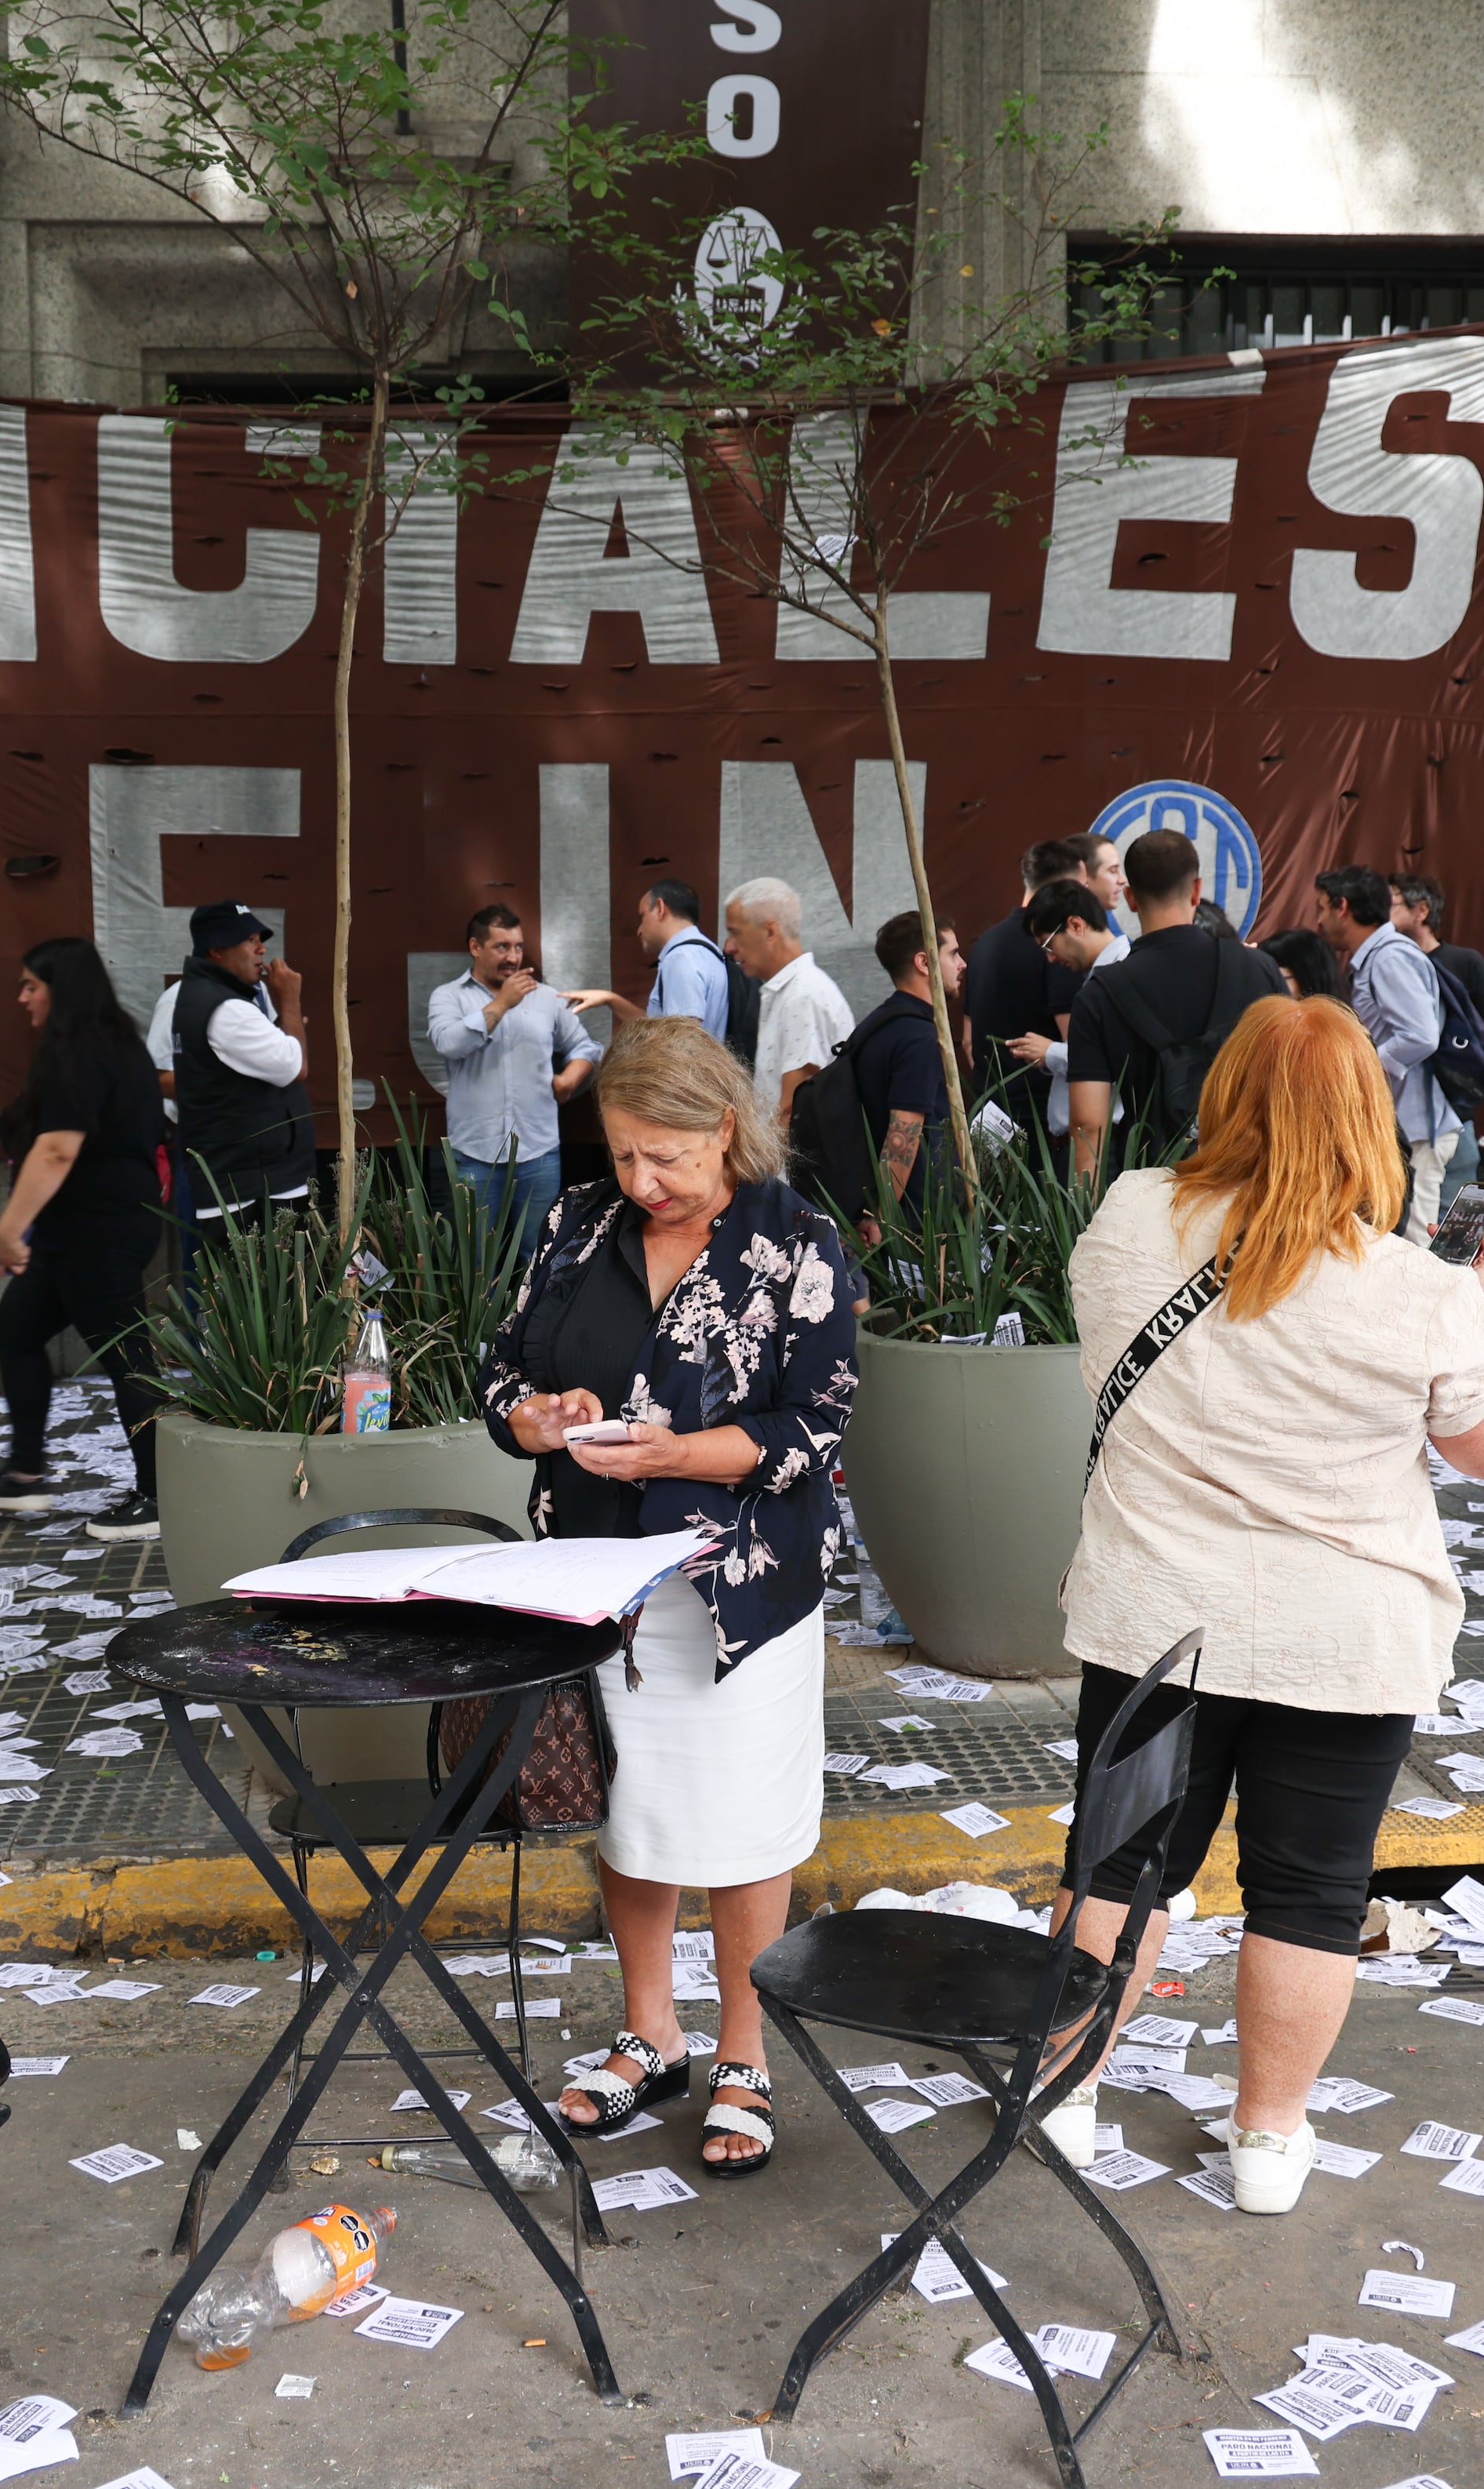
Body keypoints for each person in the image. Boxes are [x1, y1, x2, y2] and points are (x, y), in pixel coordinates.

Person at [1038, 996, 1484, 2207]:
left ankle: (1064, 2095)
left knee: (1116, 1866)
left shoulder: (1125, 1215)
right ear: (1369, 1115)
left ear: (1226, 1096)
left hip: (1156, 1616)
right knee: (1310, 1889)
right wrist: (1483, 1300)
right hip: (1342, 1636)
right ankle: (1266, 2142)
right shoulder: (1417, 1288)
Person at [485, 1018, 857, 2181]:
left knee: (742, 1822)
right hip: (594, 1576)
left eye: (668, 1158)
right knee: (630, 1811)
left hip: (736, 1589)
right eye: (624, 1153)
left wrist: (677, 1455)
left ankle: (745, 2048)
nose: (642, 1182)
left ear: (727, 1129)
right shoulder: (576, 1220)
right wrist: (531, 1418)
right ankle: (653, 2028)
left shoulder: (799, 1243)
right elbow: (502, 1365)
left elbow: (815, 1427)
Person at [0, 938, 171, 1542]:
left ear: (63, 989)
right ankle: (25, 1471)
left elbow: (57, 1149)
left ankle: (157, 1496)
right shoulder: (103, 1044)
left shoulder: (82, 1051)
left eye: (32, 985)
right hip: (75, 1229)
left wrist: (6, 1230)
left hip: (98, 1229)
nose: (22, 996)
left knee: (128, 1359)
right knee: (18, 1330)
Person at [1068, 829, 1289, 1176]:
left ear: (1130, 898)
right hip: (1249, 1183)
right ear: (1197, 890)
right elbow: (1293, 1085)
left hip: (1151, 1188)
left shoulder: (1099, 995)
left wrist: (1085, 1218)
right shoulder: (1259, 969)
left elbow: (1089, 1126)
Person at [424, 904, 601, 1246]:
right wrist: (502, 1004)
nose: (513, 957)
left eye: (518, 946)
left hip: (538, 1151)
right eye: (502, 947)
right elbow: (449, 1043)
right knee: (474, 1257)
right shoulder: (449, 996)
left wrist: (568, 1080)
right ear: (476, 947)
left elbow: (585, 1045)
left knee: (537, 1253)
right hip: (475, 1153)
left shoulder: (546, 998)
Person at [156, 901, 316, 1248]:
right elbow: (295, 1066)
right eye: (248, 940)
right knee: (271, 1295)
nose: (262, 949)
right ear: (216, 950)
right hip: (251, 1187)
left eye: (261, 938)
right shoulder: (225, 1007)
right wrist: (290, 1001)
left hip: (252, 1178)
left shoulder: (228, 998)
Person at [1314, 867, 1455, 1233]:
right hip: (1407, 1126)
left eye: (1323, 908)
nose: (1319, 920)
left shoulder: (1390, 957)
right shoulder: (1379, 956)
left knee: (1414, 1245)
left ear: (1342, 907)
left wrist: (1363, 1070)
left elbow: (1422, 1035)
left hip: (1419, 1128)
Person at [963, 836, 1097, 1165]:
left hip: (988, 1118)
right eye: (1082, 885)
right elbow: (1079, 1051)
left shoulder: (983, 944)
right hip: (1041, 1133)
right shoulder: (1058, 950)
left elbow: (967, 1042)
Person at [1391, 876, 1484, 1206]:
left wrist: (1466, 1074)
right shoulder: (1390, 965)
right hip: (1402, 1114)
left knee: (1450, 1217)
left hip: (1455, 1114)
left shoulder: (1464, 962)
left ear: (1422, 911)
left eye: (1393, 903)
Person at [843, 910, 963, 1214]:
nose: (963, 964)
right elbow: (903, 1135)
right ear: (924, 962)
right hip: (916, 1225)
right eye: (954, 954)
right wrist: (883, 1216)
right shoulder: (919, 1037)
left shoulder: (877, 1024)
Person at [720, 878, 853, 1128]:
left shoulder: (802, 996)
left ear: (770, 932)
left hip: (791, 1166)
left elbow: (792, 1110)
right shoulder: (789, 991)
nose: (729, 947)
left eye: (735, 932)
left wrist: (754, 1165)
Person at [1008, 876, 1120, 1151]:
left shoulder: (1119, 977)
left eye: (1048, 945)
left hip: (1101, 1145)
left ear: (1076, 925)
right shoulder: (1098, 977)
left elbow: (1114, 1060)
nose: (1051, 958)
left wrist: (1051, 1053)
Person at [565, 878, 732, 1050]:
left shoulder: (681, 959)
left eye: (642, 916)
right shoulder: (706, 953)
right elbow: (662, 1030)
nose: (639, 930)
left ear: (660, 908)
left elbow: (683, 1045)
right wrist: (611, 999)